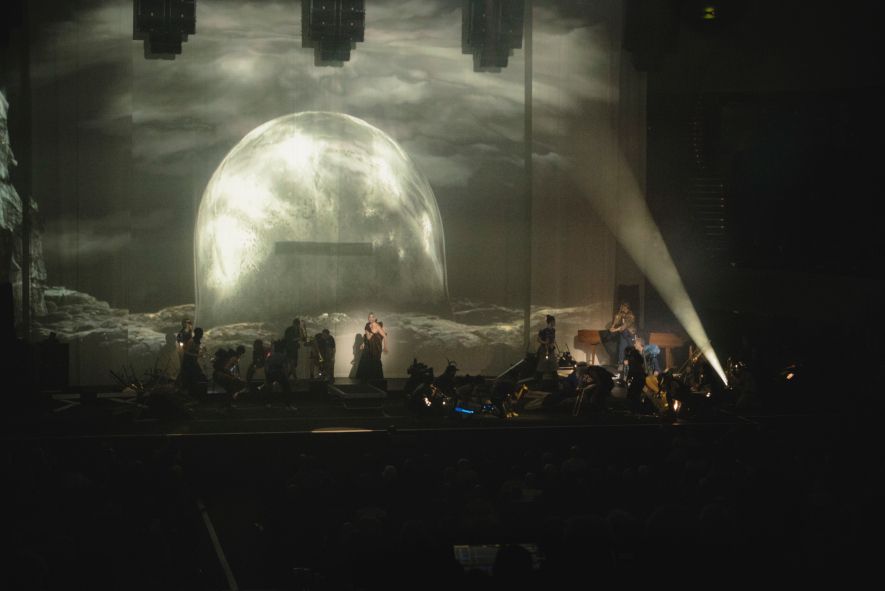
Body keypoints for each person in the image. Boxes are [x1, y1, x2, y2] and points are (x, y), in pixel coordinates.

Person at [178, 326, 207, 397]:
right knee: (190, 379)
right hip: (188, 363)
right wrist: (196, 355)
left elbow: (196, 352)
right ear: (197, 334)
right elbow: (186, 352)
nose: (202, 335)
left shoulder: (197, 341)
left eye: (202, 333)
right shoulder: (191, 341)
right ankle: (190, 395)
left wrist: (202, 352)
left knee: (197, 377)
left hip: (193, 362)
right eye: (200, 333)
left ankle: (195, 394)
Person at [356, 313, 386, 380]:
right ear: (368, 318)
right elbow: (368, 337)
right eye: (369, 317)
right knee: (367, 360)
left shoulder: (379, 325)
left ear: (375, 318)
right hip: (369, 347)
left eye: (372, 317)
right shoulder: (367, 326)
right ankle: (366, 379)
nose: (371, 318)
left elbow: (383, 335)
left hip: (376, 347)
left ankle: (376, 378)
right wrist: (364, 342)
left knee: (375, 361)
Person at [608, 303, 637, 368]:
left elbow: (624, 326)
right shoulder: (622, 314)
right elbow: (617, 321)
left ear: (626, 308)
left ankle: (633, 364)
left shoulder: (631, 315)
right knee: (622, 349)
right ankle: (621, 364)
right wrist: (613, 325)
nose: (621, 308)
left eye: (623, 307)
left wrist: (614, 330)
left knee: (631, 348)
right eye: (621, 307)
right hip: (623, 334)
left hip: (630, 334)